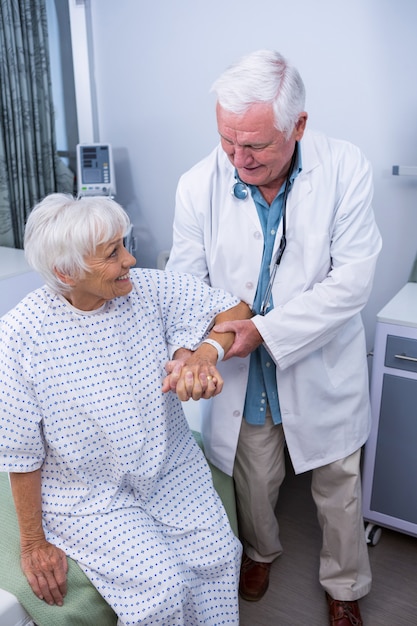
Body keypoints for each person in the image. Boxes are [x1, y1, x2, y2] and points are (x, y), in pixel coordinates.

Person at [166, 49, 382, 626]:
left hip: (317, 357)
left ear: (299, 126)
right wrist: (190, 346)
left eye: (255, 146)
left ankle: (345, 585)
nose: (239, 159)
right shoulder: (197, 183)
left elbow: (353, 280)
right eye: (227, 142)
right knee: (254, 481)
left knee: (337, 485)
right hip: (243, 369)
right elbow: (185, 282)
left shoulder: (345, 168)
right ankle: (259, 553)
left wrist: (265, 329)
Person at [0, 193, 253, 626]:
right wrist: (32, 542)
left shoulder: (148, 290)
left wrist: (203, 354)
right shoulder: (20, 338)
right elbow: (21, 453)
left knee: (221, 554)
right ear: (66, 272)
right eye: (113, 253)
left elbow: (233, 307)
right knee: (163, 587)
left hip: (167, 464)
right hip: (87, 493)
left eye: (124, 243)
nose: (131, 259)